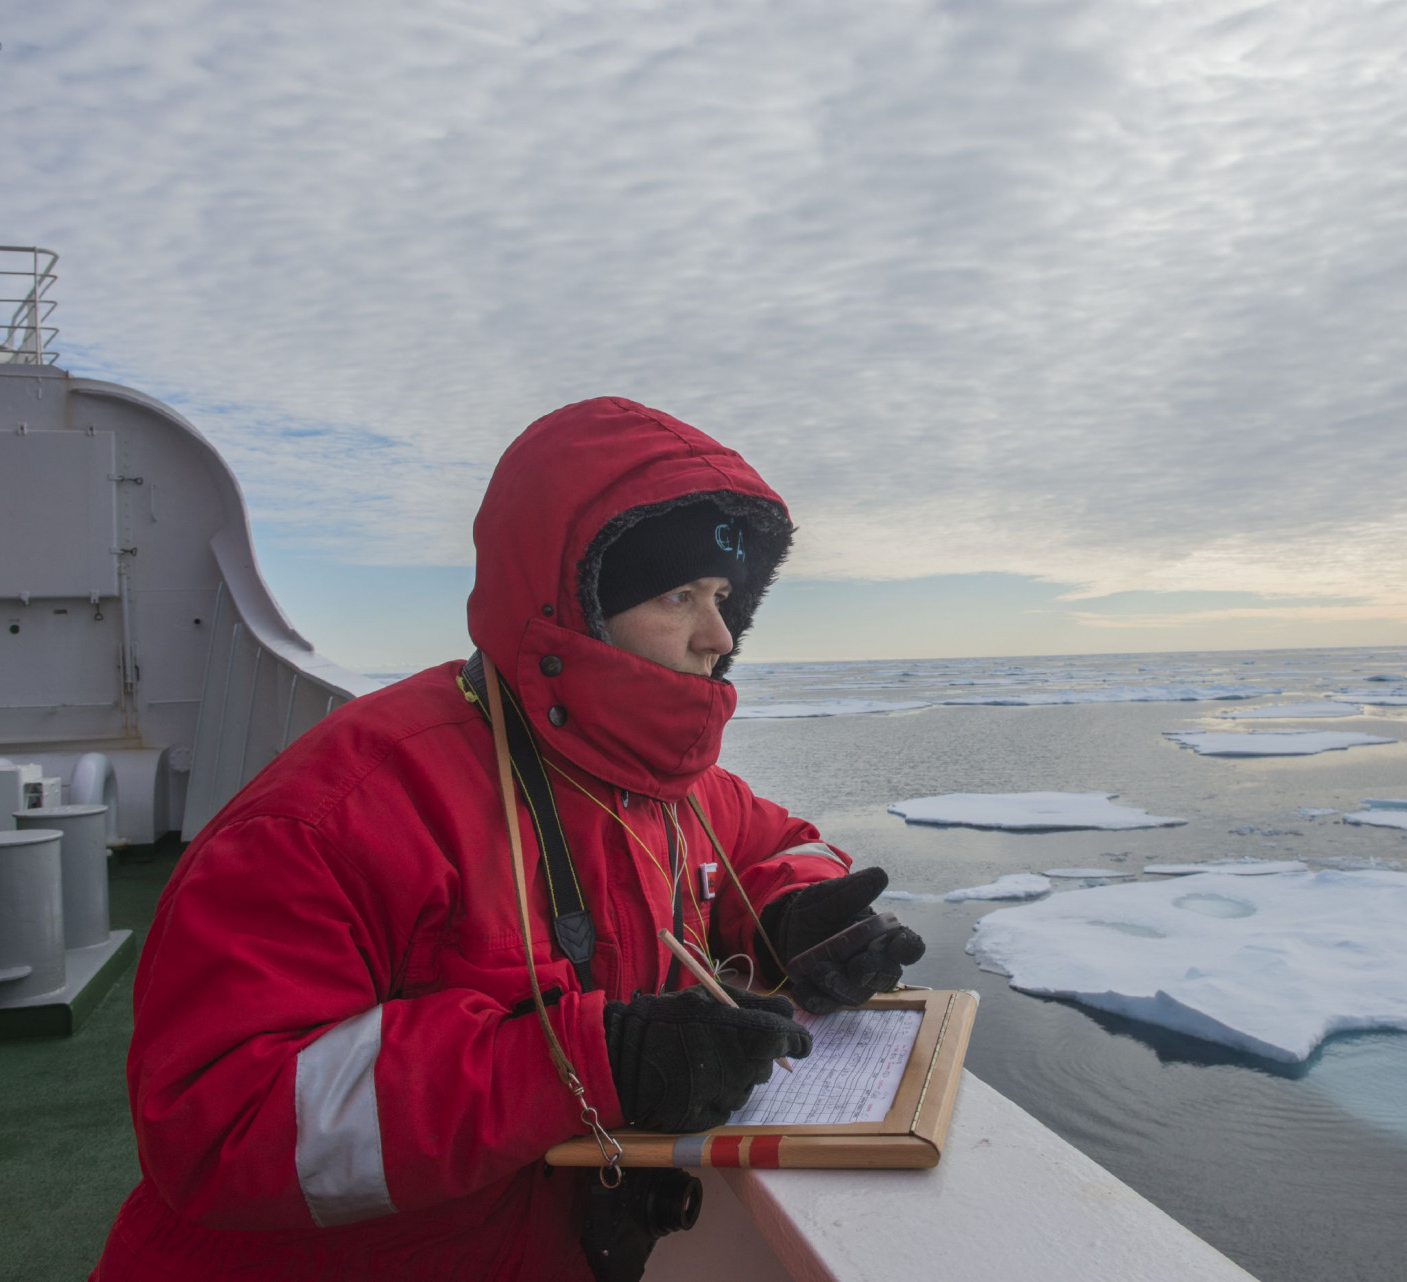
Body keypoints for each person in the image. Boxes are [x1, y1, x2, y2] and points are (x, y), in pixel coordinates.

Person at [90, 397, 925, 1281]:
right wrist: (583, 1064)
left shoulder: (665, 786)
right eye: (678, 595)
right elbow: (218, 1123)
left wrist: (792, 914)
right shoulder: (345, 809)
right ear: (575, 602)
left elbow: (780, 843)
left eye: (724, 599)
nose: (717, 638)